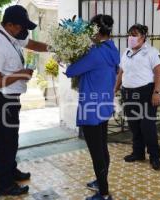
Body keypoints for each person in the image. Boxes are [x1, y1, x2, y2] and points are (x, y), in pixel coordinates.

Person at [0, 5, 49, 196]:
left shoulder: (12, 36)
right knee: (6, 143)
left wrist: (54, 48)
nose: (24, 31)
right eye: (21, 27)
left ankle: (10, 171)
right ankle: (4, 185)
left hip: (9, 99)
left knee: (12, 140)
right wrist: (20, 74)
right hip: (1, 99)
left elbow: (33, 45)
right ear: (10, 24)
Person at [66, 14, 120, 200]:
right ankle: (100, 180)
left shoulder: (94, 53)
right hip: (104, 104)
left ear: (95, 31)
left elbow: (70, 71)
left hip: (91, 108)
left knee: (96, 151)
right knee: (102, 146)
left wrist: (71, 57)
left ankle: (104, 194)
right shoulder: (112, 49)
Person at [114, 24, 160, 171]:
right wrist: (114, 89)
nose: (131, 37)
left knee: (147, 127)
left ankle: (155, 157)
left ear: (143, 37)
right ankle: (138, 153)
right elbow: (121, 73)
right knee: (134, 126)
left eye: (135, 34)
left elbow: (159, 73)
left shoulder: (151, 52)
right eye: (130, 34)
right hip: (128, 94)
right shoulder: (126, 53)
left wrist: (156, 92)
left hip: (147, 94)